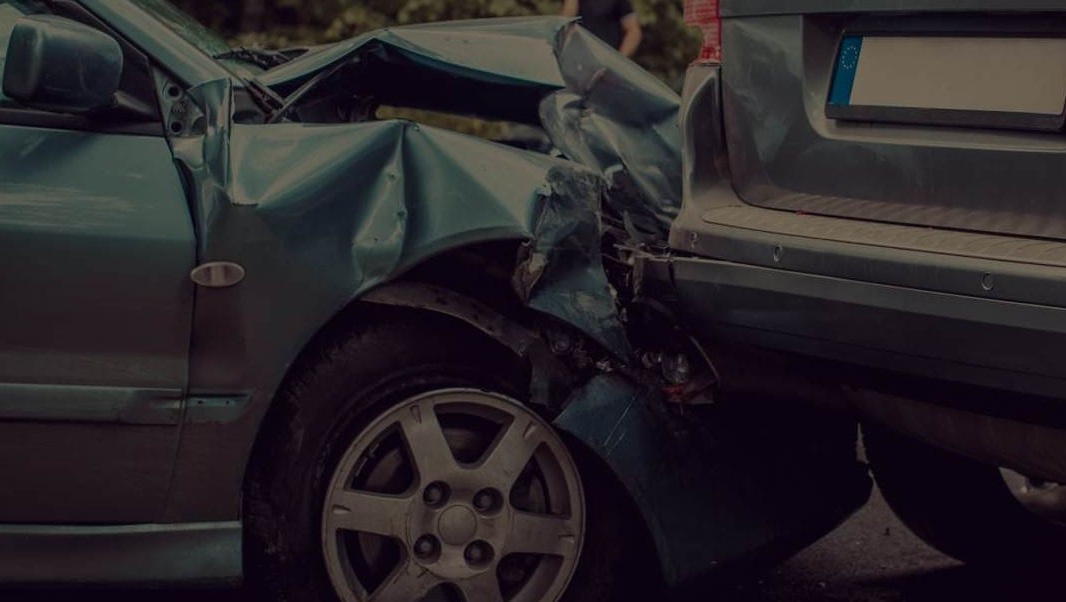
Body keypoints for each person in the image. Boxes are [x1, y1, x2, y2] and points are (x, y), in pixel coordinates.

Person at [560, 0, 642, 58]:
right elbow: (565, 23)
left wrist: (618, 61)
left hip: (606, 64)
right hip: (577, 62)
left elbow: (633, 31)